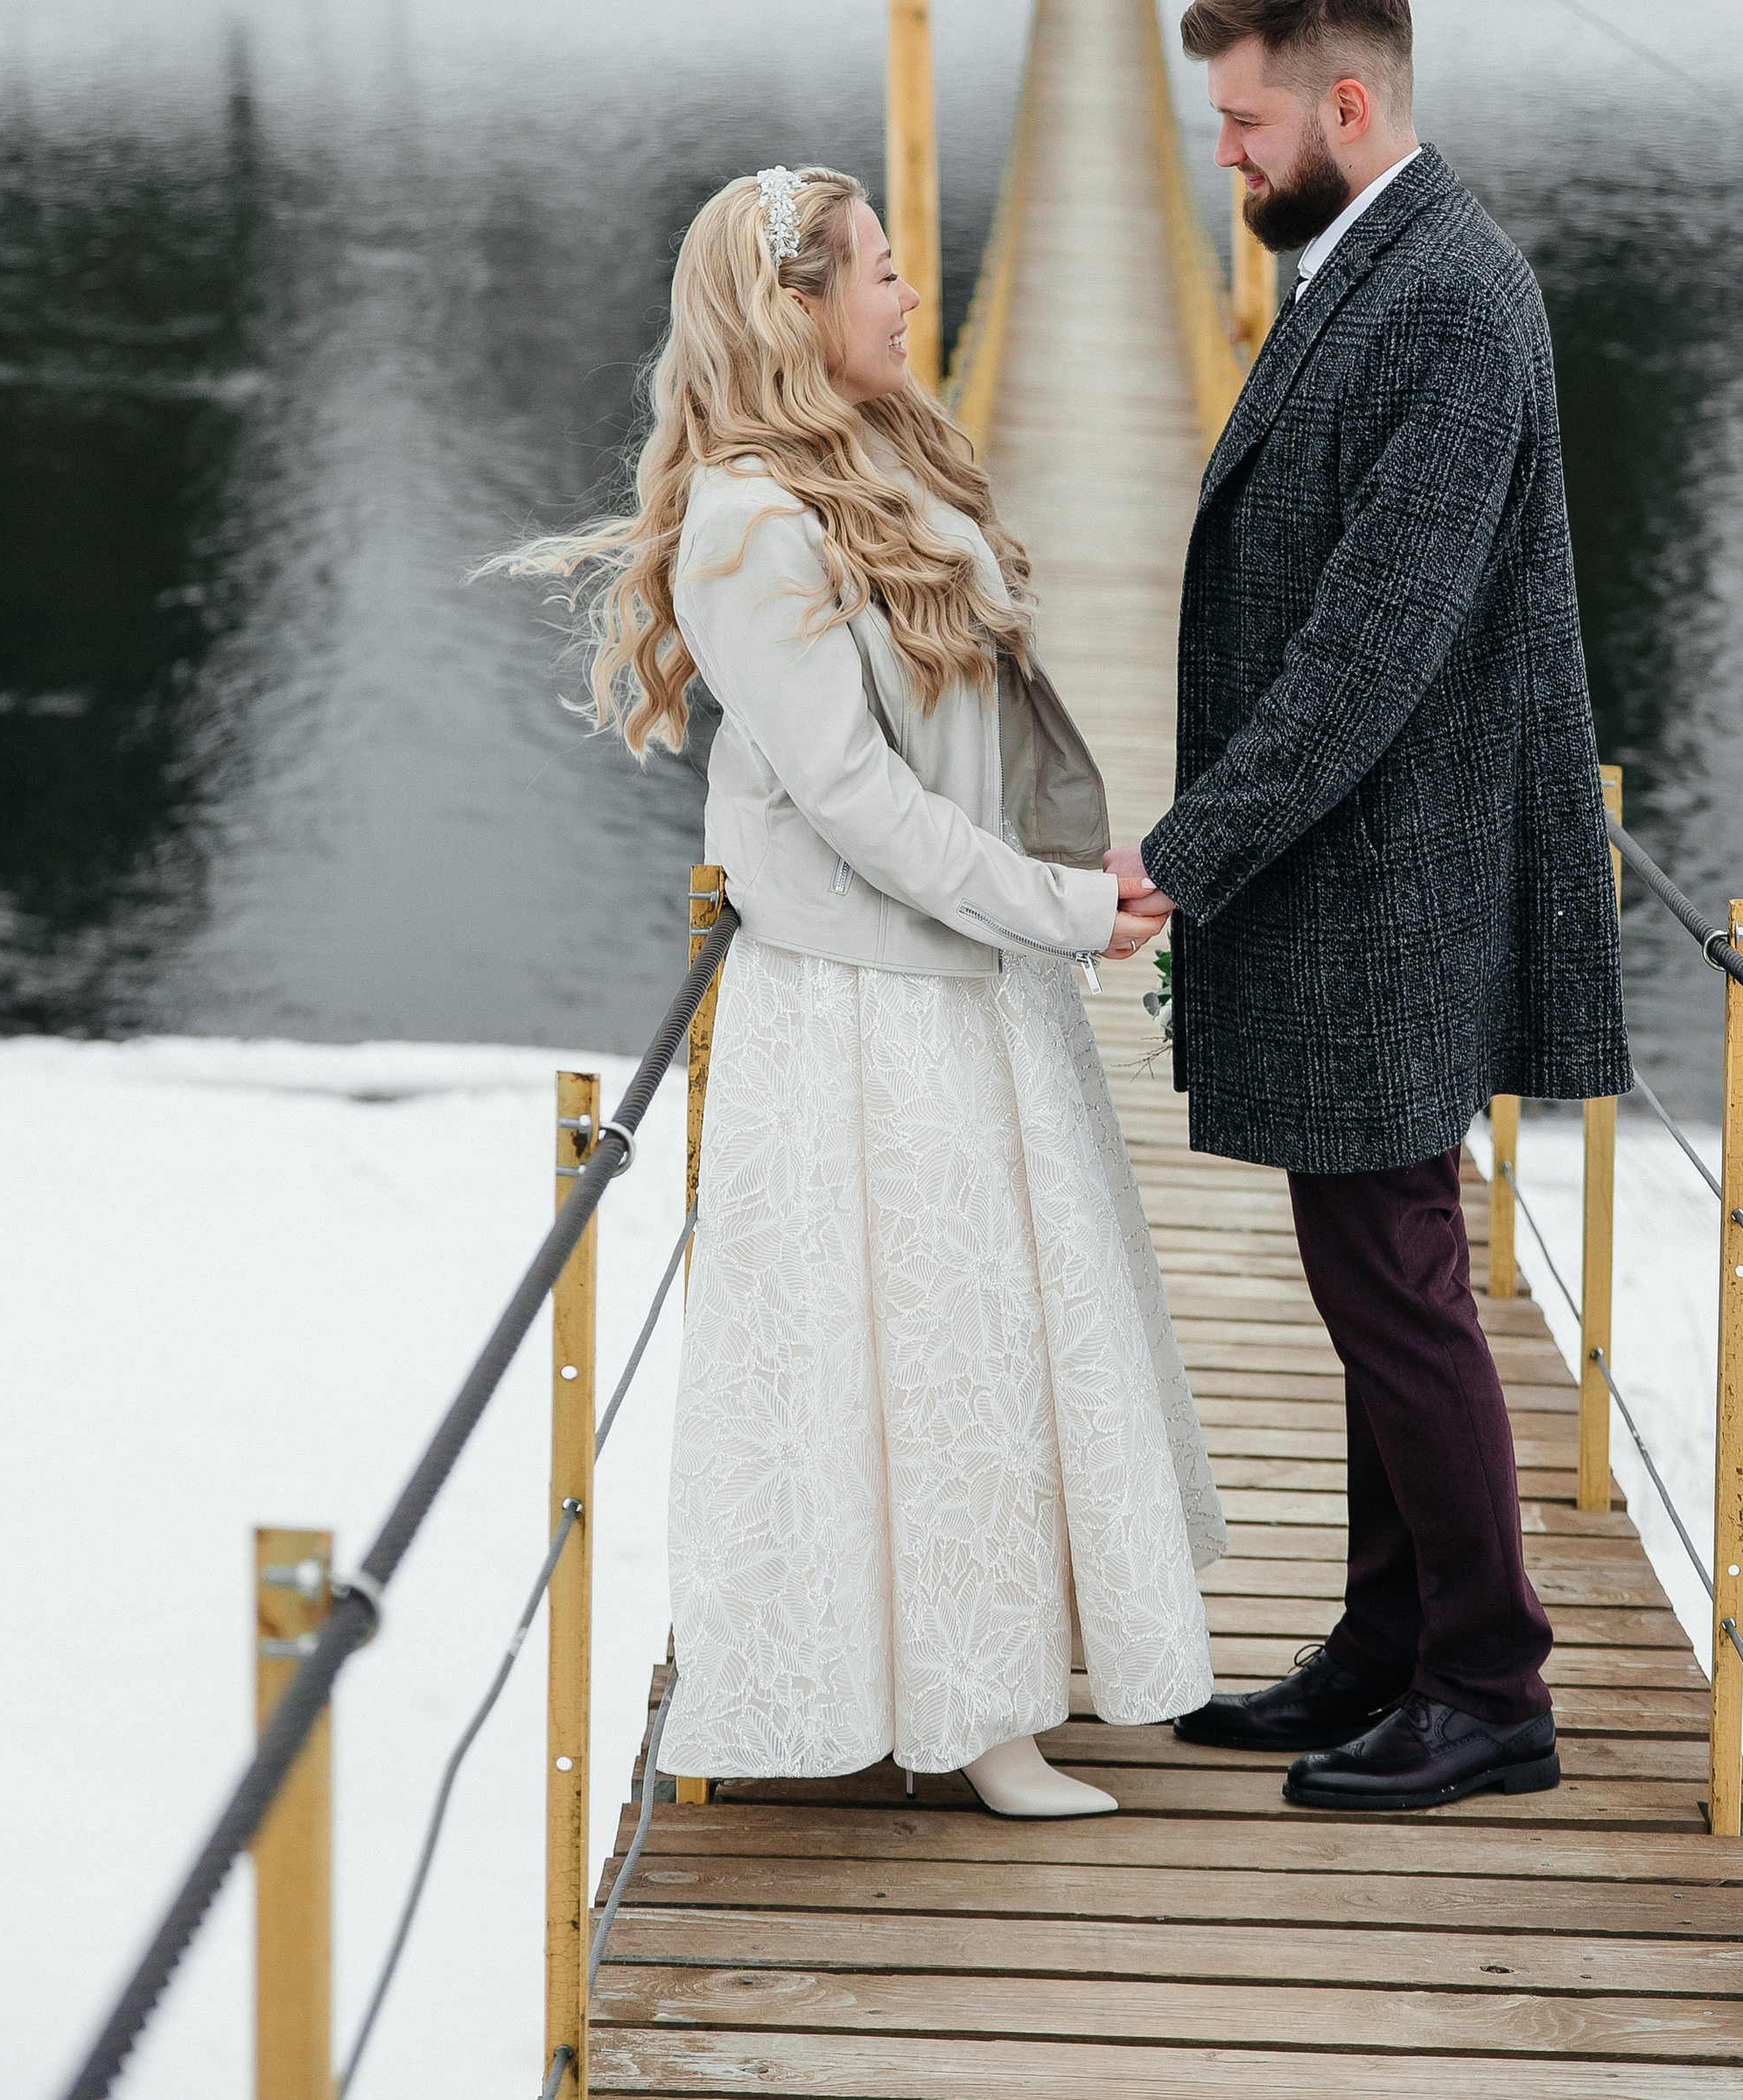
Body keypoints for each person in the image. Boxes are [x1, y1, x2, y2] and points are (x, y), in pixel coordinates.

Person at [499, 164, 1222, 1818]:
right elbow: (855, 805)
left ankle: (1017, 1669)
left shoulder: (885, 453)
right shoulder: (751, 526)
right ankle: (967, 1714)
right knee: (923, 1336)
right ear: (797, 309)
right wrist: (1056, 906)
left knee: (1002, 1331)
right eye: (883, 271)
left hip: (971, 971)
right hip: (870, 1007)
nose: (910, 295)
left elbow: (973, 728)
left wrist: (1062, 875)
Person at [1112, 0, 1629, 1815]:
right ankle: (1385, 1638)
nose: (1223, 156)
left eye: (1243, 123)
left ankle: (1487, 1683)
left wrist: (1185, 852)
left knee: (1395, 1278)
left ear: (1347, 103)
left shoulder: (1448, 299)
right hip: (1366, 871)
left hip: (1393, 880)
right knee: (1367, 1272)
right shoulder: (1365, 265)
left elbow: (1368, 650)